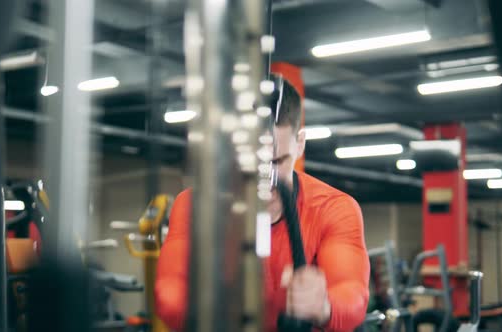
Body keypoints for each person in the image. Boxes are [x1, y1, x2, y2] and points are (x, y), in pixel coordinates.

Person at [155, 76, 370, 331]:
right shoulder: (195, 204)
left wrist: (324, 306)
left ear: (299, 143)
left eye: (276, 162)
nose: (263, 180)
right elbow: (169, 292)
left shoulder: (333, 208)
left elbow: (352, 293)